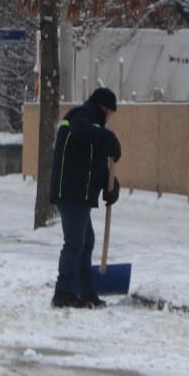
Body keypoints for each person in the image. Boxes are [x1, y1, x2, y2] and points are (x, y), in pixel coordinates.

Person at [49, 87, 122, 309]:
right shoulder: (81, 116)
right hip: (70, 192)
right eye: (110, 113)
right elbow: (82, 132)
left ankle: (86, 292)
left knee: (85, 242)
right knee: (74, 243)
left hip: (79, 193)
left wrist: (110, 186)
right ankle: (63, 292)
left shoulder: (94, 129)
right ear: (104, 108)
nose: (110, 118)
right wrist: (107, 137)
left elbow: (93, 165)